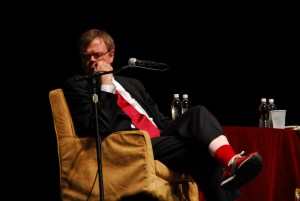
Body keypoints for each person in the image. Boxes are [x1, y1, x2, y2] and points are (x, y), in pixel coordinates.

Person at [63, 28, 263, 201]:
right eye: (85, 56)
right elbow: (101, 127)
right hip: (133, 142)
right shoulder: (77, 86)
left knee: (198, 112)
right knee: (198, 149)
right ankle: (229, 171)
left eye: (97, 55)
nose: (92, 61)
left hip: (159, 136)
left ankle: (232, 161)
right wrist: (105, 85)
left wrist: (187, 130)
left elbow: (161, 120)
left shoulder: (132, 84)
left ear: (111, 55)